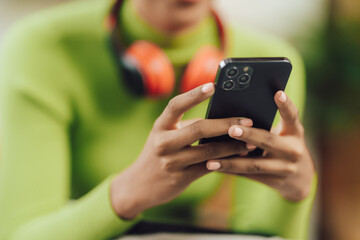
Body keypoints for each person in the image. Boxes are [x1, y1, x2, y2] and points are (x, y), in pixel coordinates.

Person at [0, 0, 316, 239]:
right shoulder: (41, 48)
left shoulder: (267, 56)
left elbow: (255, 233)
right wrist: (128, 192)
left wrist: (296, 193)